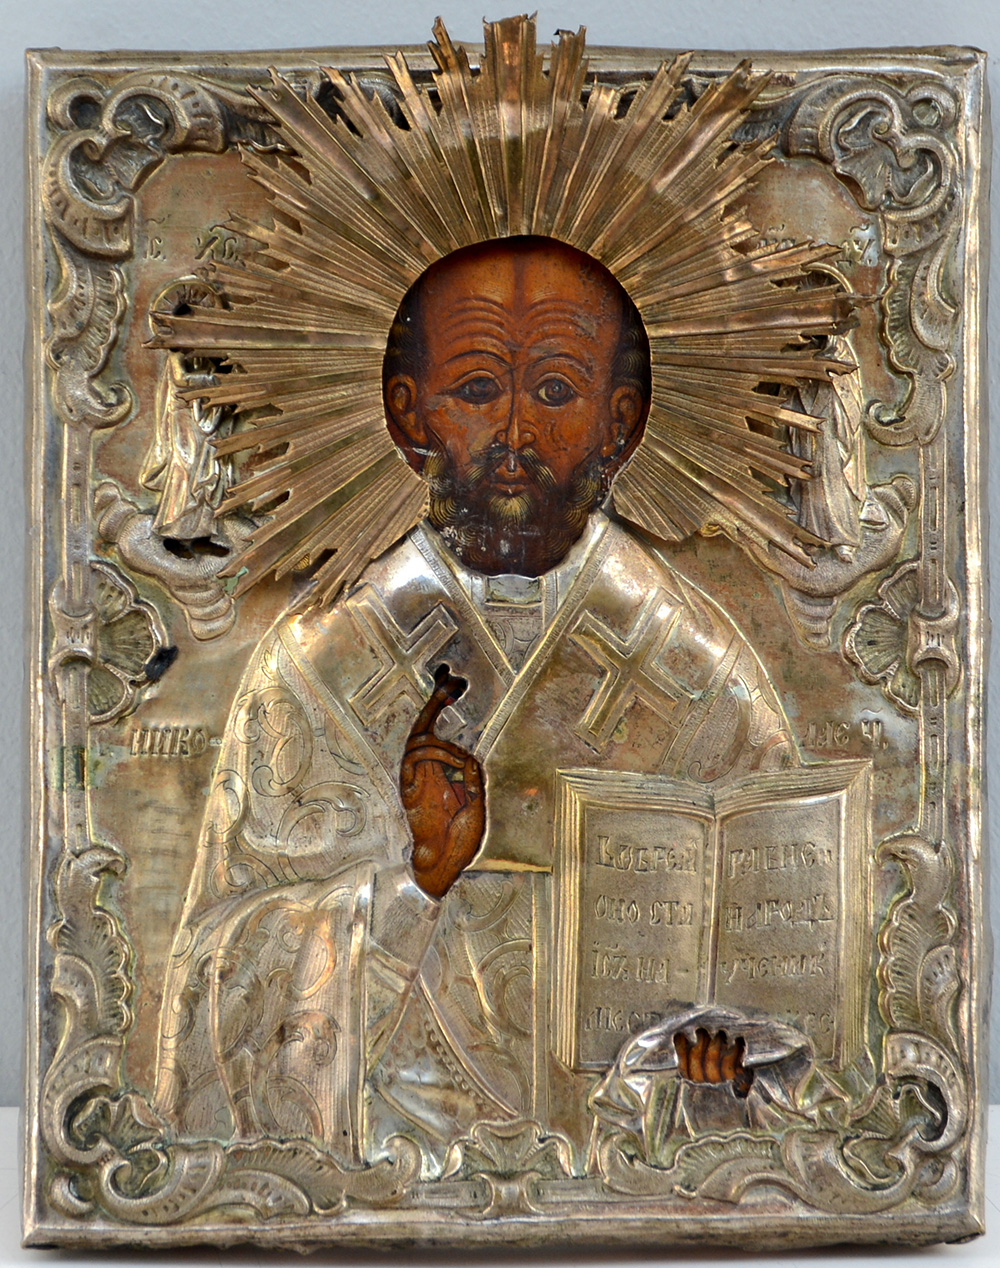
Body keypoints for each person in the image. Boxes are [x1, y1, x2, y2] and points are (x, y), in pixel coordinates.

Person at [154, 237, 800, 1170]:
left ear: (621, 422)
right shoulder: (322, 666)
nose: (516, 434)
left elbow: (790, 976)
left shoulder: (701, 672)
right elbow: (211, 991)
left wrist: (724, 1076)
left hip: (617, 1174)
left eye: (555, 392)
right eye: (476, 390)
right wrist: (414, 882)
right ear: (406, 412)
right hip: (397, 1166)